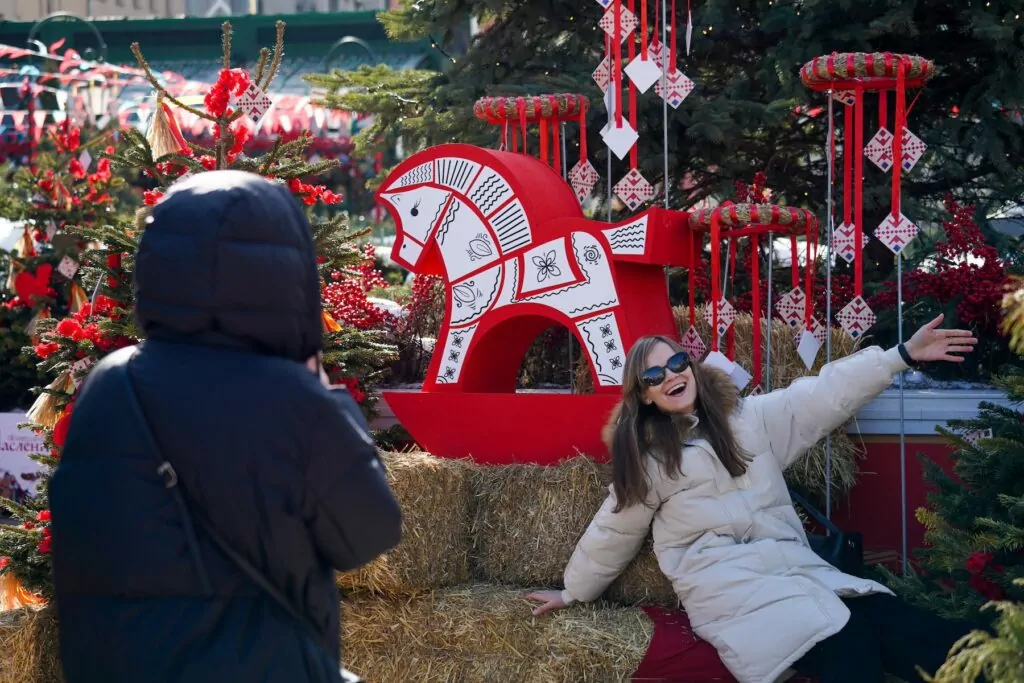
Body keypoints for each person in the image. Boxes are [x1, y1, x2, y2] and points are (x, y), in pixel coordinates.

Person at [50, 171, 402, 683]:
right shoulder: (294, 400)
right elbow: (367, 534)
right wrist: (327, 395)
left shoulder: (110, 383)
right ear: (289, 278)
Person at [527, 317, 978, 683]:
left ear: (692, 366)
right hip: (730, 589)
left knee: (903, 625)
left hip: (793, 569)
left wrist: (899, 356)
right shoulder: (649, 459)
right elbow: (615, 528)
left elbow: (823, 394)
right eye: (653, 375)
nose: (671, 375)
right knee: (847, 640)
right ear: (643, 394)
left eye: (678, 361)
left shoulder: (748, 419)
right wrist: (574, 591)